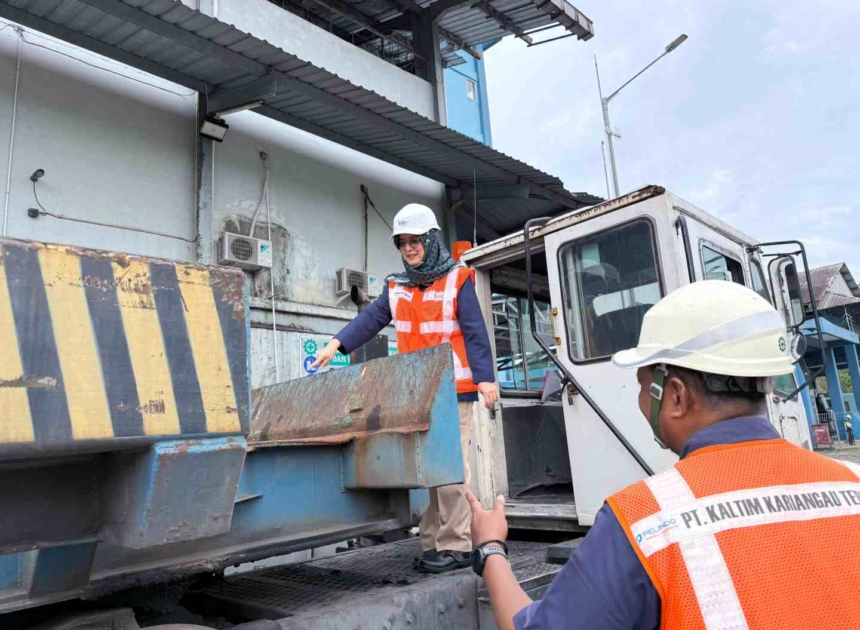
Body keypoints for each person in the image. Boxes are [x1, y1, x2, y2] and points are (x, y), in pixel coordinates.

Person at [467, 280, 860, 629]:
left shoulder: (645, 520)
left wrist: (491, 548)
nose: (639, 400)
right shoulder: (852, 481)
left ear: (674, 396)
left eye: (642, 385)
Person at [310, 203, 499, 574]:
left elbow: (476, 332)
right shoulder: (396, 287)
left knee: (451, 473)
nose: (409, 248)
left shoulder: (458, 279)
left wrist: (486, 378)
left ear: (431, 240)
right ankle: (433, 543)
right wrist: (336, 344)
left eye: (416, 241)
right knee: (432, 472)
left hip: (455, 389)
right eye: (402, 242)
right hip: (418, 394)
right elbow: (371, 319)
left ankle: (458, 546)